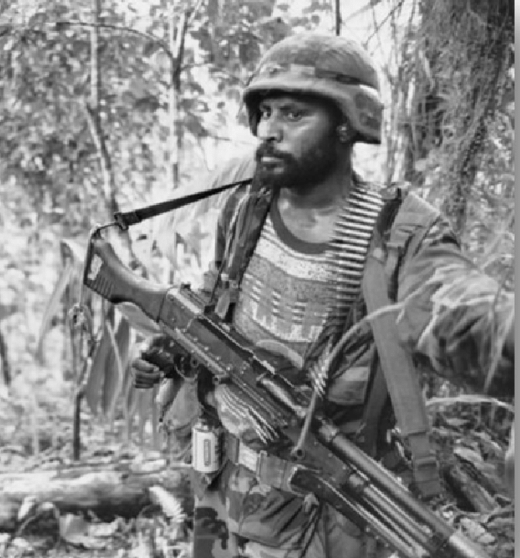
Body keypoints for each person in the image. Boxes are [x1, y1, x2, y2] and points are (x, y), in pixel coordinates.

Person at [130, 33, 515, 558]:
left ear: (346, 122)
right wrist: (172, 350)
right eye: (265, 113)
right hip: (225, 496)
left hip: (330, 514)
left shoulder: (400, 234)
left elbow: (457, 311)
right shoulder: (246, 210)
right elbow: (218, 301)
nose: (269, 131)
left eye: (292, 114)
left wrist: (502, 332)